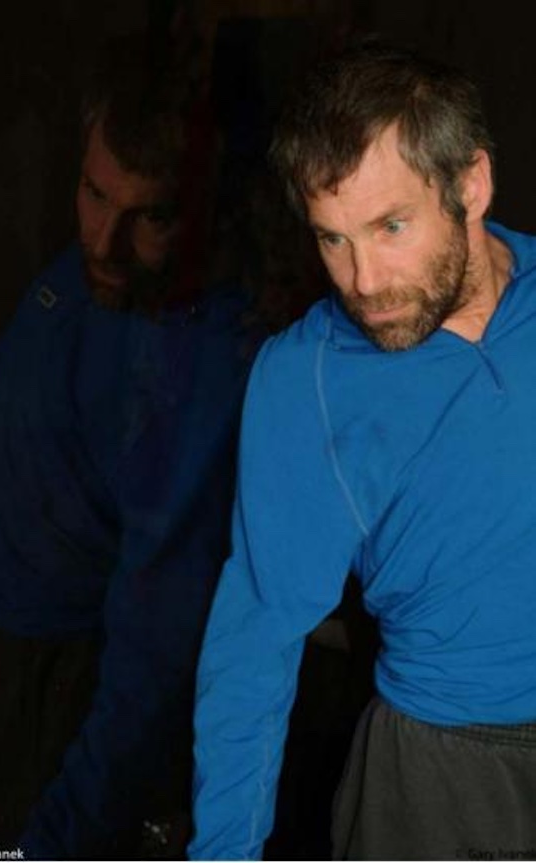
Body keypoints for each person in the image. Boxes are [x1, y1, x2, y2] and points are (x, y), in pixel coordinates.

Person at [188, 38, 536, 861]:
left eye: (389, 226)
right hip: (442, 777)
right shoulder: (301, 378)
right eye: (331, 238)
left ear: (470, 185)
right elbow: (252, 645)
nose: (362, 281)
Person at [0, 36, 261, 860]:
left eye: (149, 216)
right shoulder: (103, 271)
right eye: (93, 194)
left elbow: (152, 654)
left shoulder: (194, 370)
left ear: (206, 208)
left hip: (27, 686)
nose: (104, 239)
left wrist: (51, 844)